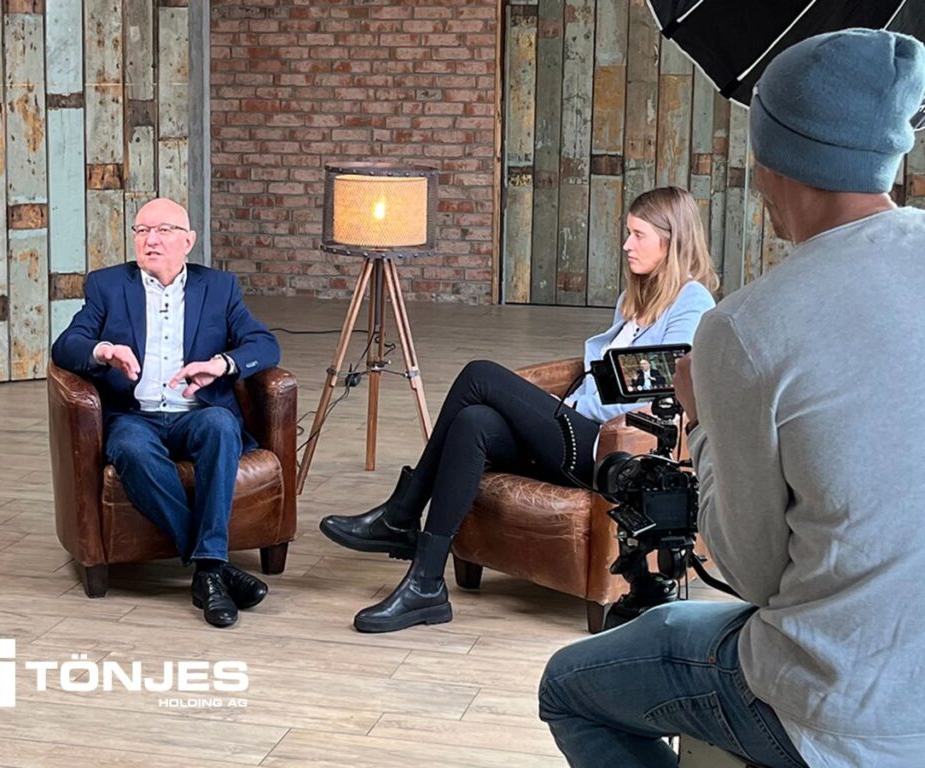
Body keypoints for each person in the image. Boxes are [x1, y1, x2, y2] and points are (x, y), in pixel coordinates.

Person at [538, 29, 925, 768]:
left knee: (570, 686)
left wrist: (703, 415)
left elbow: (750, 575)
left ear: (779, 163)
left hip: (835, 709)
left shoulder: (744, 329)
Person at [320, 186, 718, 633]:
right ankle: (426, 584)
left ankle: (402, 514)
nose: (626, 244)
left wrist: (561, 410)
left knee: (479, 375)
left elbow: (666, 386)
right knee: (474, 422)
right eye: (627, 233)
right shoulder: (635, 300)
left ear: (672, 240)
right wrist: (559, 405)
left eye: (638, 235)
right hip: (573, 424)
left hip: (605, 448)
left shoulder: (693, 301)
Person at [51, 197, 281, 629]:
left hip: (197, 410)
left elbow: (265, 345)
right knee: (131, 450)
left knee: (219, 426)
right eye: (141, 231)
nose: (150, 240)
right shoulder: (107, 286)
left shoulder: (218, 288)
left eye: (162, 231)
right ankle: (212, 567)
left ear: (188, 241)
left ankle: (207, 566)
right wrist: (104, 351)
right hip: (134, 416)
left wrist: (221, 365)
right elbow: (66, 346)